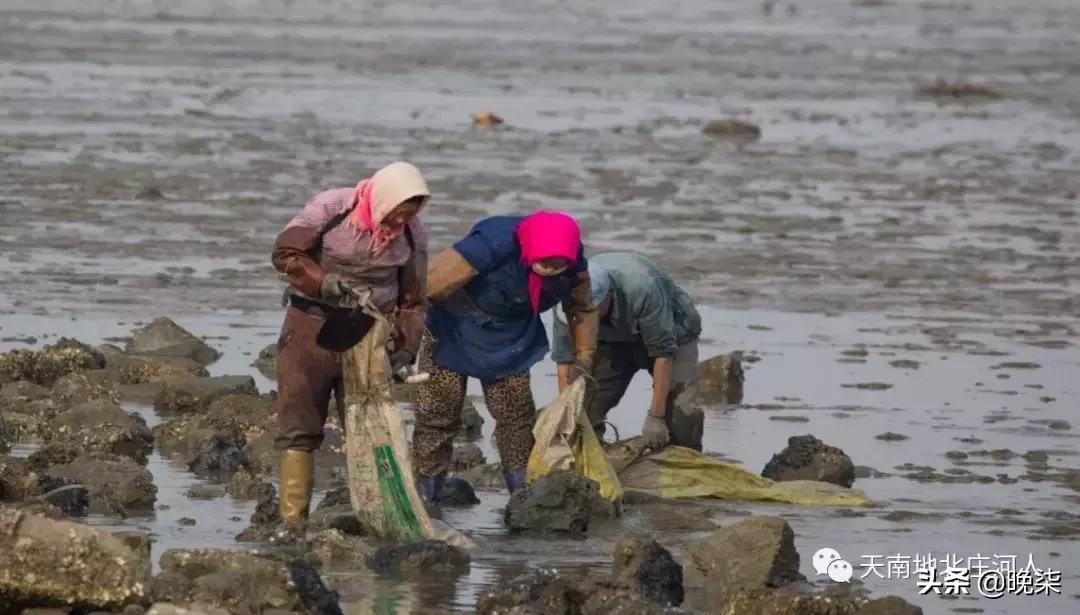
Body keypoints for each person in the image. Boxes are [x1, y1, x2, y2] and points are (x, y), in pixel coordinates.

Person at [270, 161, 431, 526]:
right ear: (381, 199)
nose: (397, 223)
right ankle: (292, 521)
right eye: (393, 214)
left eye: (408, 215)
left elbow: (413, 299)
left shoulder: (413, 236)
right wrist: (323, 281)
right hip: (310, 328)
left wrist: (405, 350)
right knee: (299, 426)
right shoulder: (329, 209)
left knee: (370, 430)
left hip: (366, 337)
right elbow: (285, 256)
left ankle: (380, 516)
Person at [412, 211, 599, 501]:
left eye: (557, 263)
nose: (550, 266)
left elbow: (583, 308)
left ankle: (521, 493)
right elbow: (428, 287)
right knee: (437, 413)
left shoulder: (574, 263)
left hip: (510, 337)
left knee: (516, 418)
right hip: (453, 327)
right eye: (544, 260)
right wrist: (400, 337)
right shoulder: (494, 241)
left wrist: (584, 356)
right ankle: (427, 494)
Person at [552, 252, 704, 450]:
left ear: (607, 296)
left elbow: (663, 354)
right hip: (611, 340)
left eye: (590, 314)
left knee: (680, 413)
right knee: (586, 410)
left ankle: (687, 465)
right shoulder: (562, 304)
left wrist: (656, 416)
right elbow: (565, 362)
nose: (584, 321)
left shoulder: (642, 288)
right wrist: (567, 415)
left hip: (673, 333)